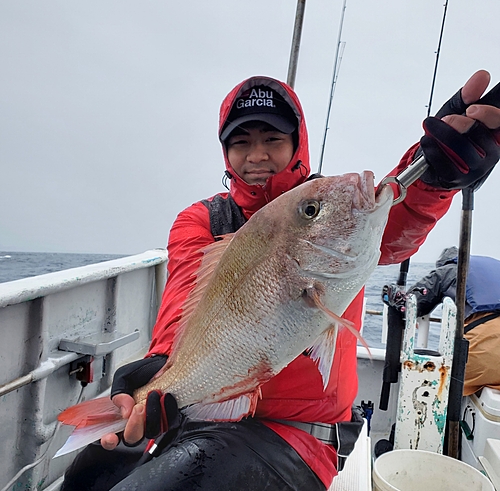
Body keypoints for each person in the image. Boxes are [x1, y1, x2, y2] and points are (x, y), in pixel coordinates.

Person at [62, 70, 500, 490]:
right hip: (201, 416)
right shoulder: (202, 219)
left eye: (273, 139)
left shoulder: (328, 204)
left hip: (297, 436)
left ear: (297, 143)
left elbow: (397, 214)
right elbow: (184, 303)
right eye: (241, 142)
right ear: (225, 152)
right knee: (87, 474)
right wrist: (160, 370)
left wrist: (434, 174)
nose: (257, 155)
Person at [409, 246, 500, 397]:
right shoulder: (492, 268)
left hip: (484, 350)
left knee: (438, 389)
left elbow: (412, 302)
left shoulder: (451, 269)